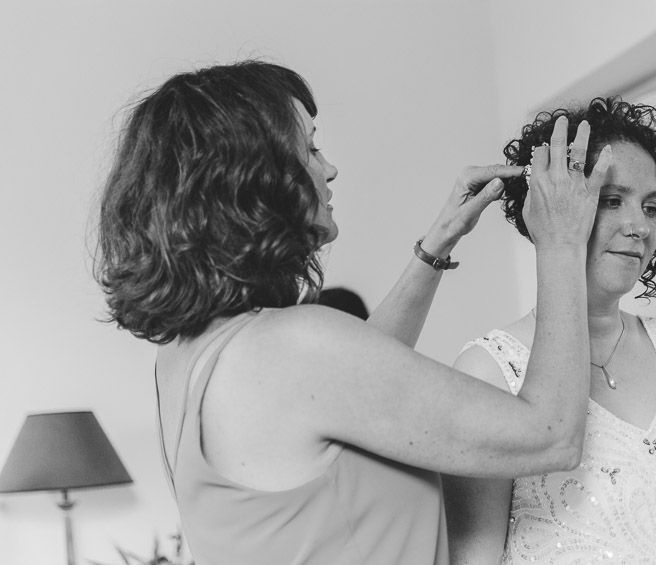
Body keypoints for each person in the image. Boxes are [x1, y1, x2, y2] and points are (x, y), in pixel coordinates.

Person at [94, 60, 613, 565]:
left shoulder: (188, 359)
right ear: (254, 178)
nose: (329, 167)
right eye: (311, 148)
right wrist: (561, 241)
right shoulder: (295, 347)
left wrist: (436, 247)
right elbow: (551, 435)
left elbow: (352, 387)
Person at [443, 98, 656, 564]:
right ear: (552, 205)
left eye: (652, 207)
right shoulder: (489, 372)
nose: (639, 226)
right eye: (611, 200)